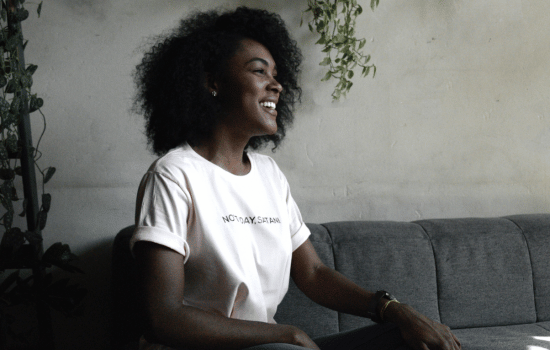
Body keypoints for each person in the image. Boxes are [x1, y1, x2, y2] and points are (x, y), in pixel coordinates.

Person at [131, 6, 462, 350]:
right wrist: (285, 334)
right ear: (213, 83)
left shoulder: (269, 174)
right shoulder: (173, 175)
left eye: (276, 73)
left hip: (272, 347)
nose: (276, 84)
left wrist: (392, 309)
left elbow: (314, 274)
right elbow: (164, 318)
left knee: (413, 340)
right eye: (260, 71)